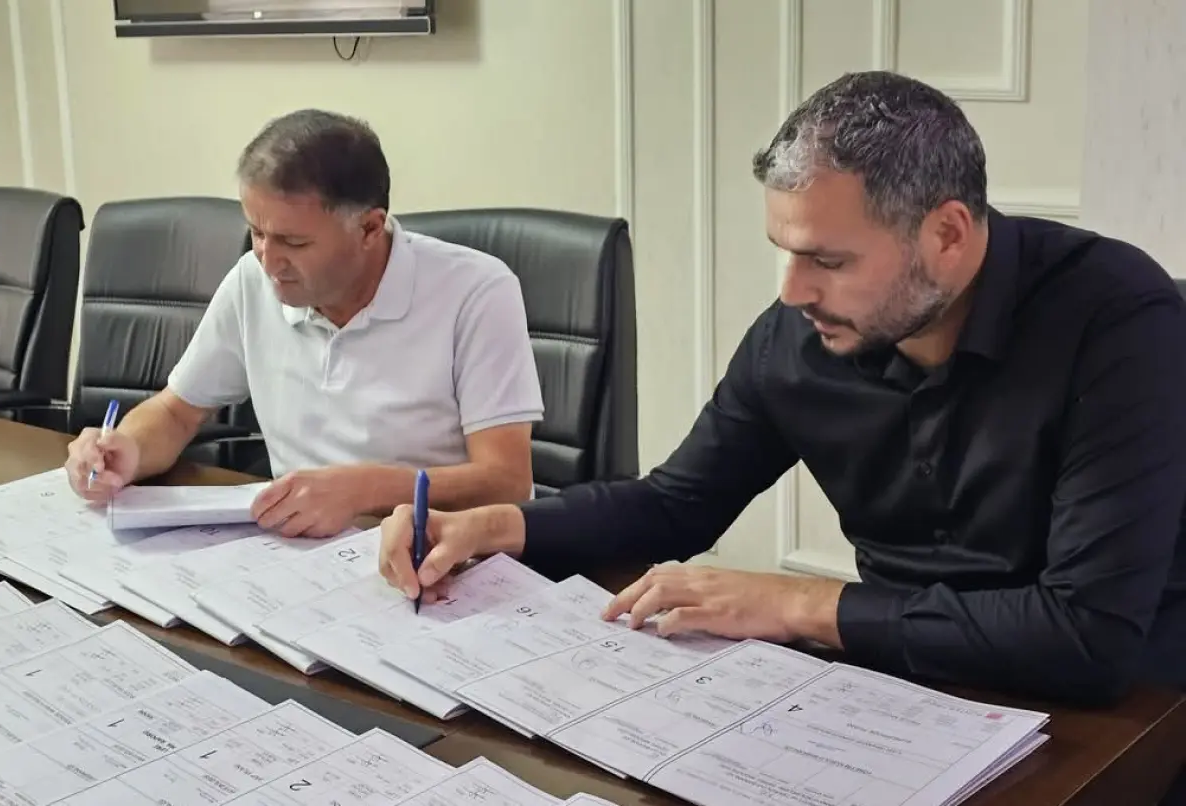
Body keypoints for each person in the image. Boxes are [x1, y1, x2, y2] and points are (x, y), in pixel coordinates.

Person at [379, 71, 1186, 710]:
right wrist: (503, 525)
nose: (793, 291)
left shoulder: (1119, 322)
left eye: (828, 261)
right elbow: (675, 505)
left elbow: (1086, 635)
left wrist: (799, 605)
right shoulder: (800, 335)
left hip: (1119, 714)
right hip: (898, 682)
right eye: (785, 252)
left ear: (946, 234)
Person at [64, 109, 544, 537]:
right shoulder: (252, 280)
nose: (268, 260)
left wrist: (364, 489)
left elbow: (506, 482)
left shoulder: (476, 291)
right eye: (256, 232)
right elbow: (176, 413)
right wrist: (127, 449)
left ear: (369, 228)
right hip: (296, 551)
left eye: (294, 243)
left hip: (439, 555)